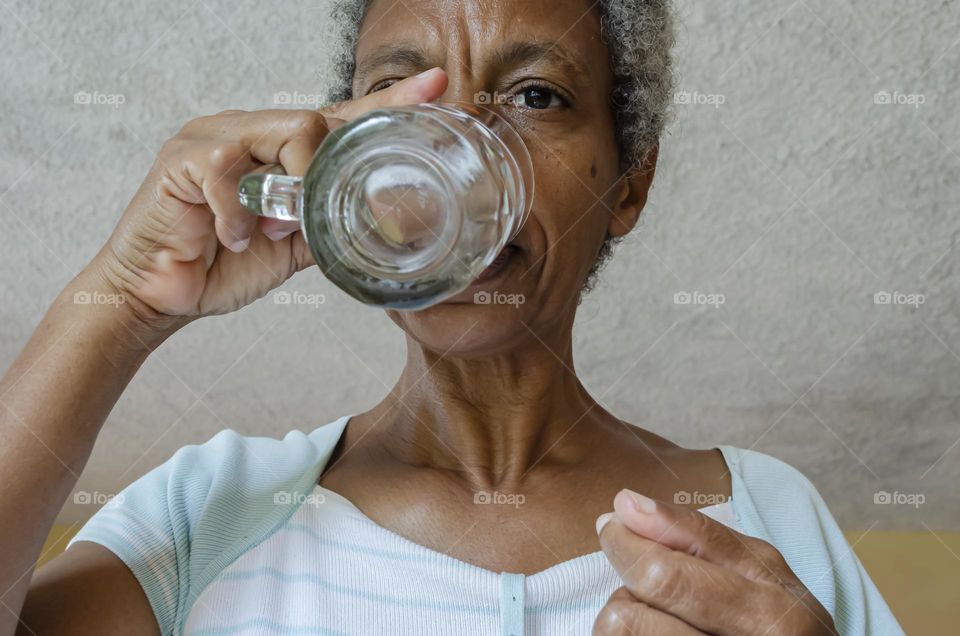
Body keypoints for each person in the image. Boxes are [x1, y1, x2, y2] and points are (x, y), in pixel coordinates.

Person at [2, 0, 902, 634]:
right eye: (406, 97)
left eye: (536, 97)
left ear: (629, 181)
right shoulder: (211, 511)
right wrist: (120, 302)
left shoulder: (761, 520)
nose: (459, 156)